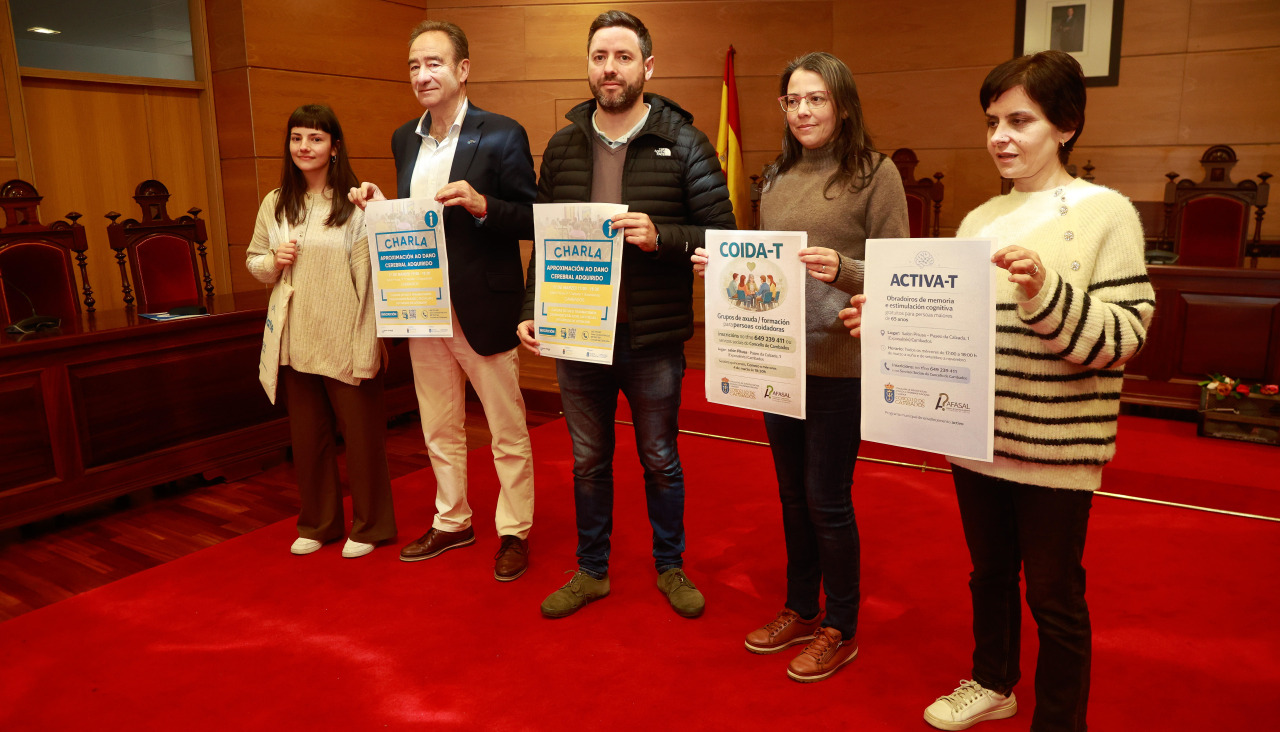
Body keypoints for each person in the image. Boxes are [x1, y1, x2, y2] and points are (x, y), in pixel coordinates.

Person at [840, 50, 1153, 730]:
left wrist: (1045, 291)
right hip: (976, 436)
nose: (1001, 137)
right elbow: (959, 332)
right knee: (988, 575)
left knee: (1053, 592)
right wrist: (890, 327)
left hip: (1056, 446)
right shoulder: (980, 219)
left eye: (1020, 120)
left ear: (1065, 125)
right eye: (992, 121)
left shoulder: (1109, 214)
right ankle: (993, 681)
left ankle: (1061, 719)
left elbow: (1122, 337)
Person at [692, 51, 909, 682]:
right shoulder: (777, 177)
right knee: (791, 497)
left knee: (827, 499)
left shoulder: (877, 173)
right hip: (778, 362)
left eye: (816, 99)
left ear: (842, 104)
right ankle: (800, 606)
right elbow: (769, 268)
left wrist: (843, 270)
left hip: (841, 363)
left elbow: (897, 274)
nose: (804, 111)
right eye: (793, 100)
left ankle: (841, 625)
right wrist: (726, 267)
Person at [515, 9, 735, 619]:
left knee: (660, 457)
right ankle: (591, 571)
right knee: (588, 461)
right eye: (599, 58)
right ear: (589, 66)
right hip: (578, 332)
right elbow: (546, 238)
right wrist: (533, 306)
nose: (609, 69)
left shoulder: (685, 141)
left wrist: (661, 234)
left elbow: (723, 236)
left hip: (653, 336)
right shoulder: (562, 146)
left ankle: (670, 566)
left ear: (647, 65)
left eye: (622, 57)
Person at [349, 20, 537, 582]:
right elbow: (415, 220)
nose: (423, 75)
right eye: (414, 66)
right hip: (421, 304)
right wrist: (383, 207)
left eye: (434, 63)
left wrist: (482, 204)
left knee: (506, 429)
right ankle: (453, 520)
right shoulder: (403, 138)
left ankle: (514, 530)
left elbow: (532, 217)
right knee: (438, 424)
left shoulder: (502, 134)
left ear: (462, 69)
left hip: (483, 304)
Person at [247, 104, 395, 559]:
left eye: (315, 138)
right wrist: (274, 262)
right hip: (294, 338)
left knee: (362, 438)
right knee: (308, 439)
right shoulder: (275, 202)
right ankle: (319, 522)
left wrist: (368, 344)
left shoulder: (353, 204)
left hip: (344, 335)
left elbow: (370, 283)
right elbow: (255, 262)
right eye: (297, 138)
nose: (304, 147)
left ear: (334, 147)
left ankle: (370, 526)